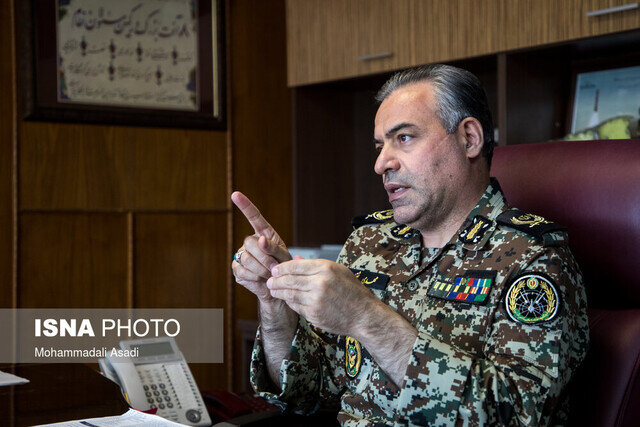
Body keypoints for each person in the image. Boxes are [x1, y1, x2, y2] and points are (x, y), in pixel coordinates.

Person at [231, 64, 589, 425]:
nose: (381, 163)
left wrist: (366, 317)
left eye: (403, 138)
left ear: (469, 139)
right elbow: (304, 391)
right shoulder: (371, 241)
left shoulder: (534, 258)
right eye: (380, 145)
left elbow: (515, 417)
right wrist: (274, 302)